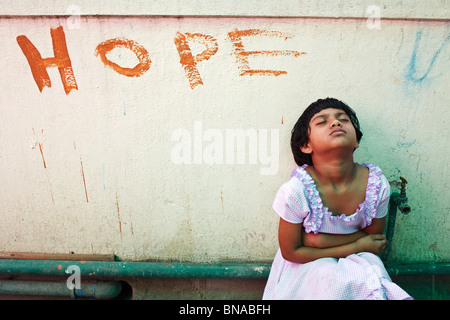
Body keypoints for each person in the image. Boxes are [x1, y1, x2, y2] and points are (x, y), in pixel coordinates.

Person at [263, 98, 412, 300]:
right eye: (322, 122)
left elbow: (374, 242)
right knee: (325, 274)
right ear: (306, 145)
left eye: (343, 119)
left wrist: (318, 240)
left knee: (369, 270)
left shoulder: (376, 185)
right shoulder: (296, 191)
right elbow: (291, 251)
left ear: (356, 141)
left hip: (358, 260)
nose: (335, 123)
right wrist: (357, 244)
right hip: (307, 264)